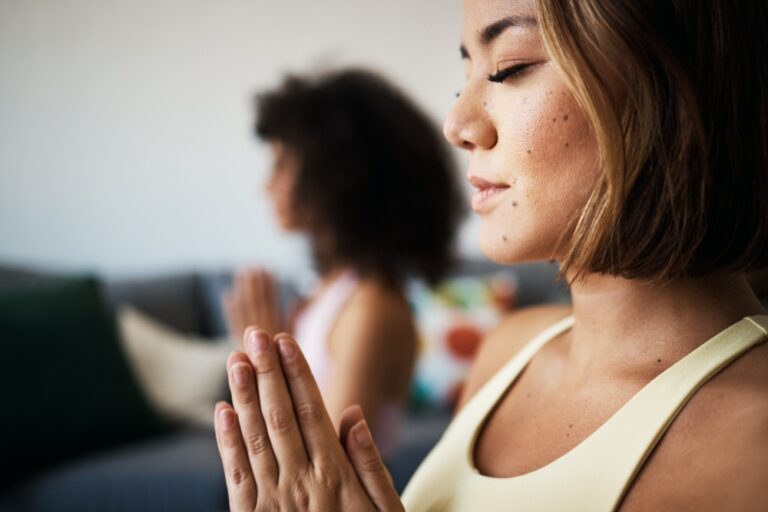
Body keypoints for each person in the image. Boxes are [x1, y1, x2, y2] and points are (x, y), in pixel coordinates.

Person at [213, 0, 768, 510]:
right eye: (467, 74)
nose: (457, 125)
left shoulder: (752, 443)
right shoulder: (507, 351)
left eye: (509, 67)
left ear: (674, 82)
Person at [220, 69, 464, 457]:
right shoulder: (332, 290)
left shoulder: (372, 306)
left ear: (335, 174)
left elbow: (329, 466)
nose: (267, 185)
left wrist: (267, 371)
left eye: (281, 164)